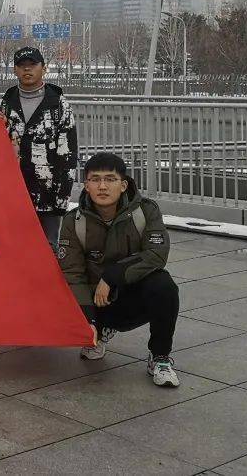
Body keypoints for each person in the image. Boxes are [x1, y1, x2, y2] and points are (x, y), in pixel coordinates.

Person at [60, 153, 180, 388]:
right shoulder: (73, 221)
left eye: (110, 179)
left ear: (123, 185)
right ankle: (98, 332)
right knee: (54, 282)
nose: (102, 186)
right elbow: (72, 272)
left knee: (164, 286)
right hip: (96, 300)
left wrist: (112, 275)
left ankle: (160, 357)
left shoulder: (146, 211)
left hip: (131, 295)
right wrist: (88, 318)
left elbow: (156, 254)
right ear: (86, 184)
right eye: (95, 179)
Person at [0, 46, 79, 248]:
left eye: (32, 65)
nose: (27, 70)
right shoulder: (5, 105)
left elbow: (67, 153)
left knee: (48, 248)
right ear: (15, 70)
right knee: (14, 247)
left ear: (44, 68)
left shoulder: (59, 105)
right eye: (21, 66)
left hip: (48, 194)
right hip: (13, 193)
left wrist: (61, 199)